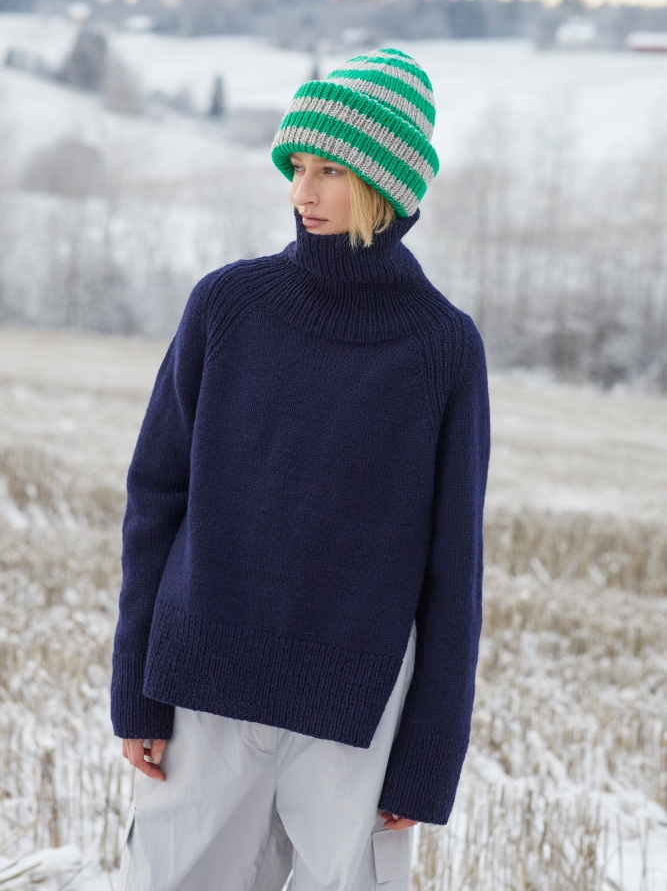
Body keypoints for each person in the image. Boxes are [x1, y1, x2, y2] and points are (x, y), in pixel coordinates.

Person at [111, 47, 491, 891]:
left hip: (355, 713)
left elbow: (452, 570)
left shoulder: (441, 348)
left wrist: (427, 756)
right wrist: (135, 686)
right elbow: (154, 499)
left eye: (329, 170)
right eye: (295, 167)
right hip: (204, 689)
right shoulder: (227, 305)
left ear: (385, 184)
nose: (300, 192)